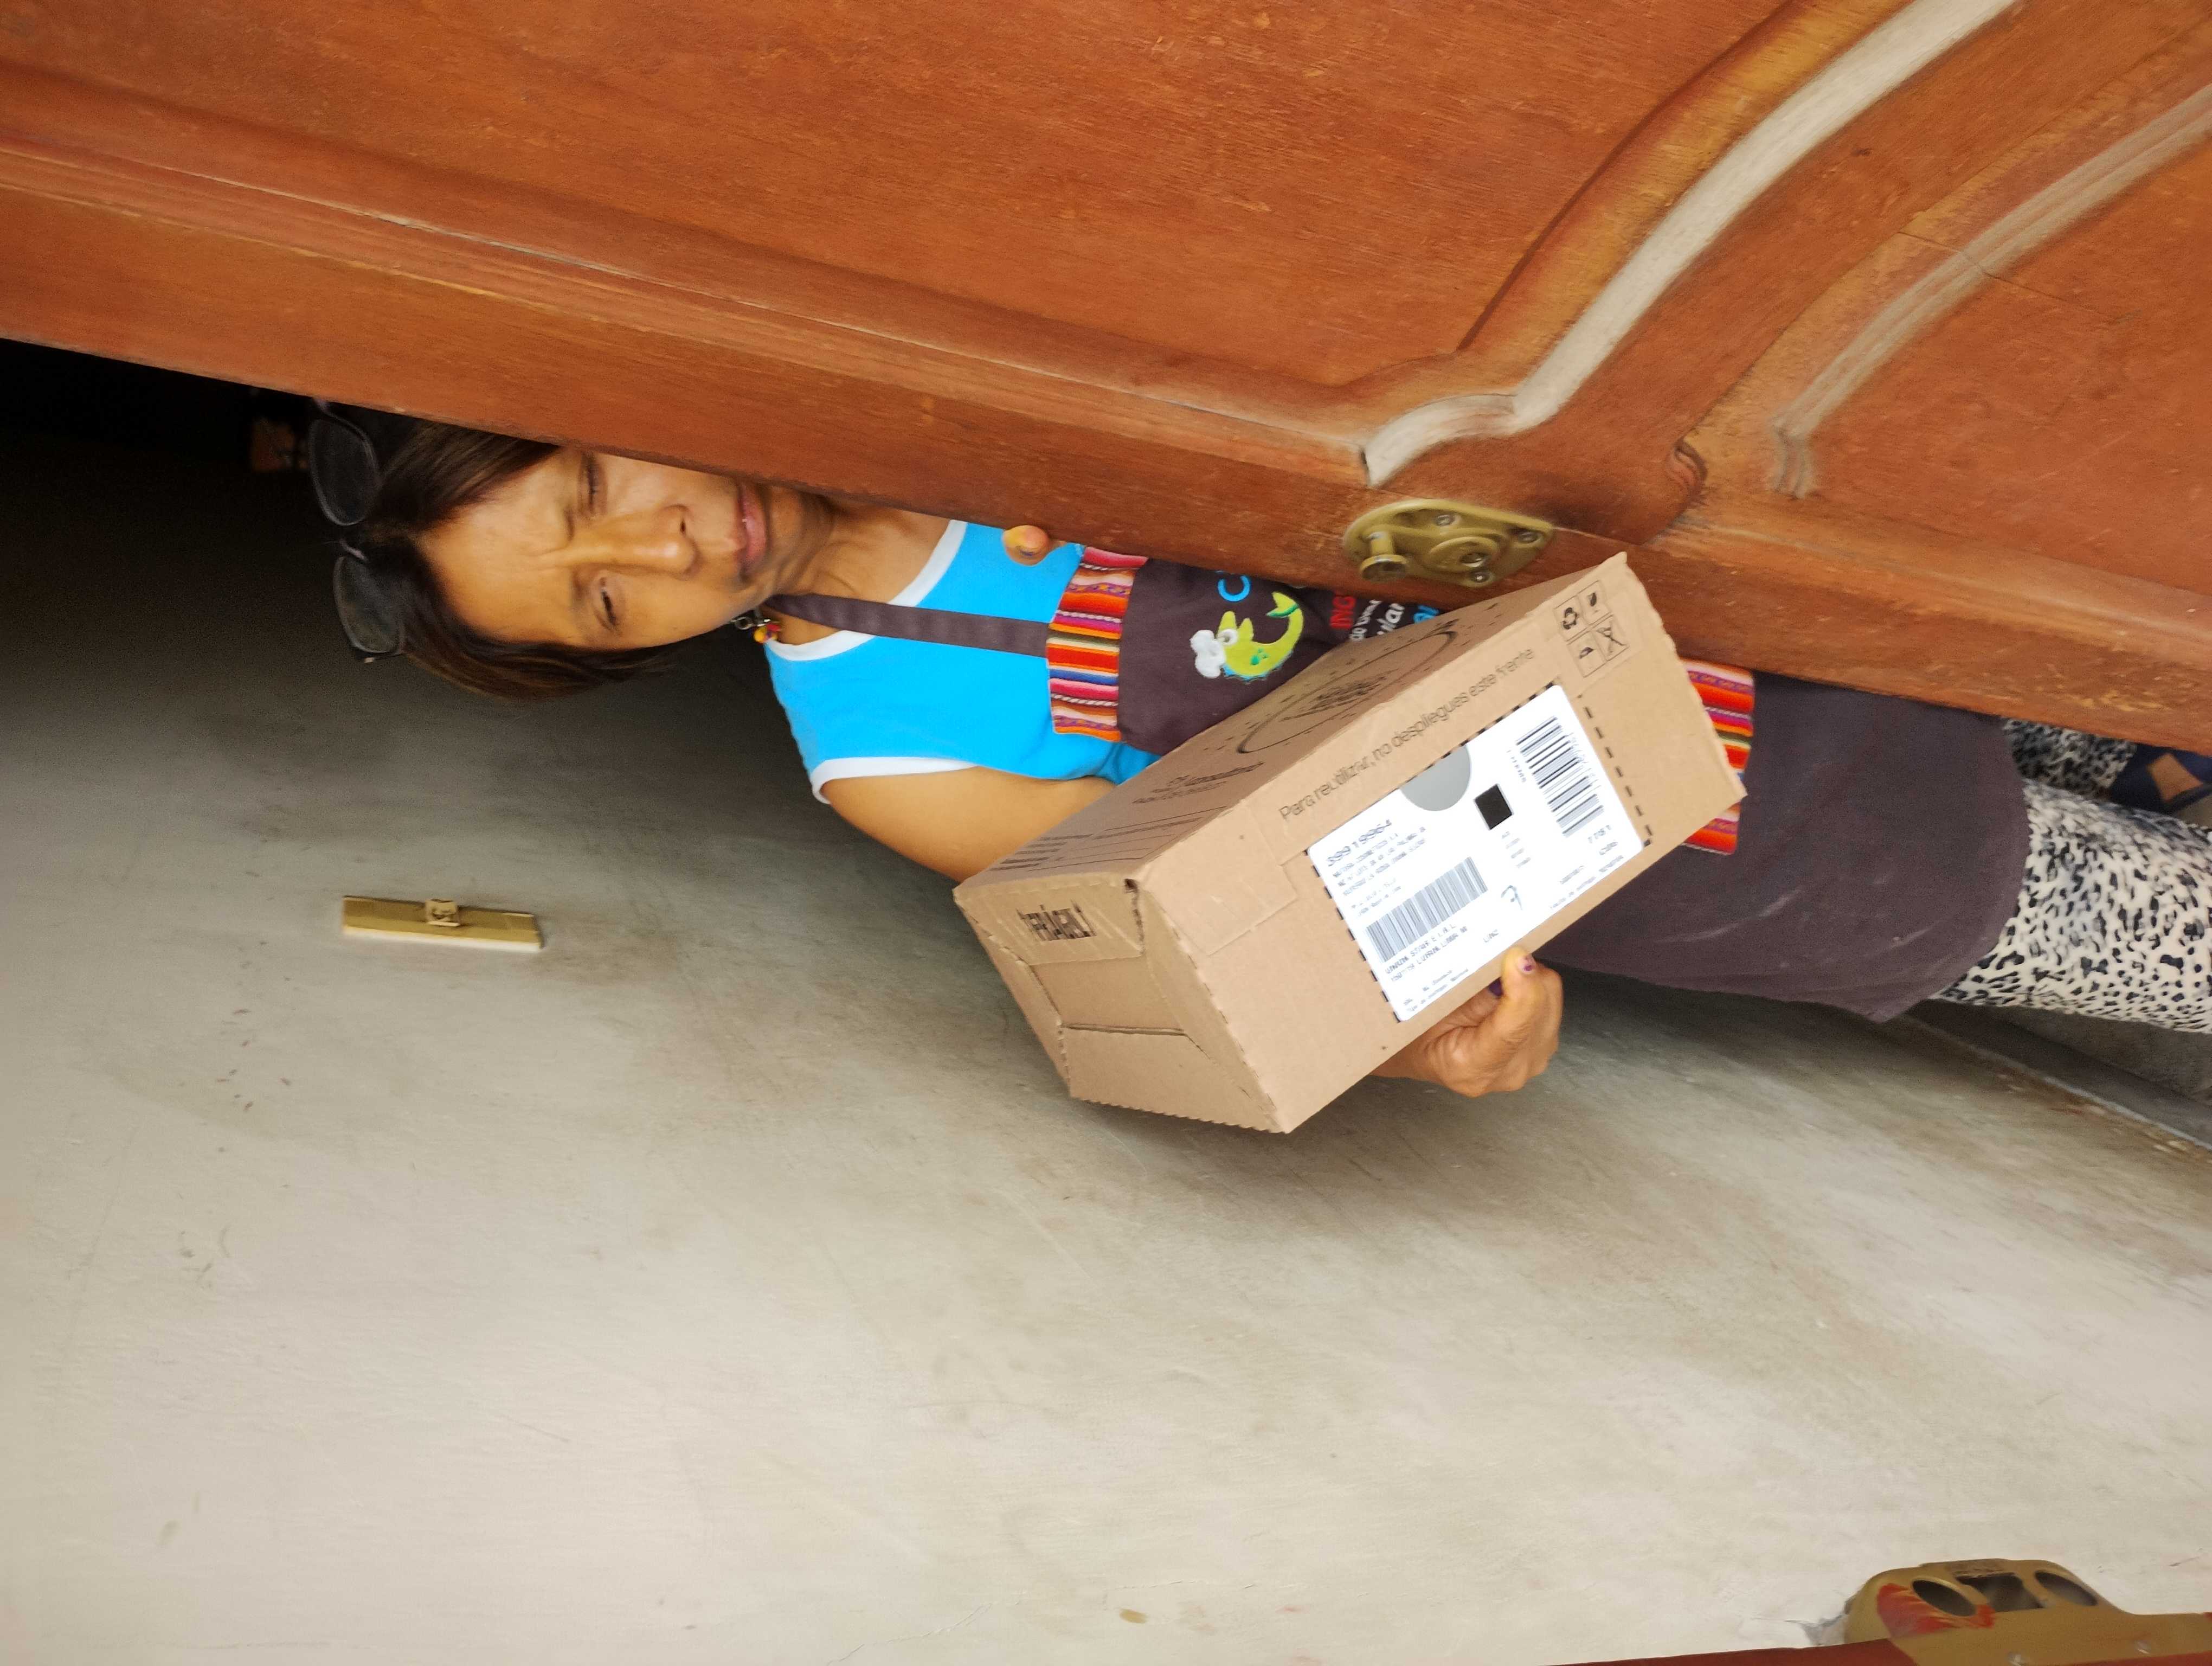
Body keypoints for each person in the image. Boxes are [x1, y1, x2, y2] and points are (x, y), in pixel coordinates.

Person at [313, 413, 2212, 1102]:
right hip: (1751, 847)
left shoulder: (955, 388)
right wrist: (1423, 1037)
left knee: (2161, 686)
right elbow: (1218, 931)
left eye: (594, 484)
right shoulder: (884, 755)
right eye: (603, 605)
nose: (657, 546)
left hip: (1776, 608)